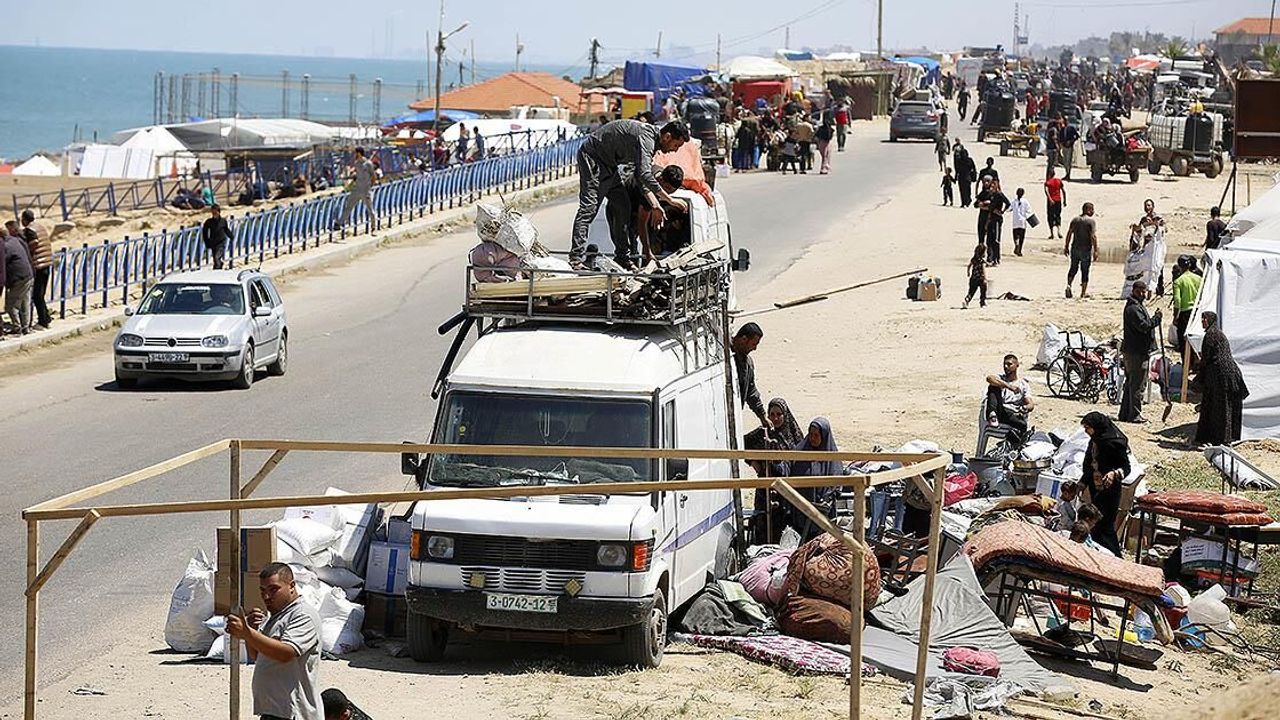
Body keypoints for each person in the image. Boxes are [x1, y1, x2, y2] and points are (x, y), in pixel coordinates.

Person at [571, 119, 688, 265]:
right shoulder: (647, 139)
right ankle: (576, 258)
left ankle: (622, 257)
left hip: (610, 166)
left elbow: (640, 177)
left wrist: (656, 205)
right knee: (589, 209)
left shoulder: (651, 143)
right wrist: (669, 200)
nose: (674, 150)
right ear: (667, 137)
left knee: (622, 205)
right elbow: (645, 175)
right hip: (593, 159)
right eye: (675, 145)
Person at [225, 563, 322, 720]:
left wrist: (247, 633)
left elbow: (286, 653)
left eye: (273, 589)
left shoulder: (303, 615)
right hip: (273, 711)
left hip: (293, 713)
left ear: (292, 586)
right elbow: (257, 655)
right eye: (263, 591)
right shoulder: (276, 617)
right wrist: (252, 630)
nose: (266, 596)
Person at [1194, 311, 1250, 447]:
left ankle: (1220, 438)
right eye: (1202, 319)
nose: (1203, 322)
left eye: (1205, 319)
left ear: (1210, 320)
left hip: (1220, 375)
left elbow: (1206, 359)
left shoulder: (1211, 335)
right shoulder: (1217, 333)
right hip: (1226, 373)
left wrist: (1198, 379)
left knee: (1219, 407)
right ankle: (1224, 437)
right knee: (1224, 406)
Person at [784, 418, 846, 535]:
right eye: (811, 434)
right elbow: (788, 471)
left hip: (822, 516)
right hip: (800, 513)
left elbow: (836, 484)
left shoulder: (832, 458)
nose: (812, 438)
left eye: (816, 435)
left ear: (824, 436)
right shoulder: (800, 452)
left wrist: (826, 498)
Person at [1079, 411, 1129, 556]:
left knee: (1105, 526)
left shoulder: (1115, 443)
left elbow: (1126, 467)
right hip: (1096, 489)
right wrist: (1083, 482)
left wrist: (1114, 473)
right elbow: (1089, 465)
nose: (1086, 431)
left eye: (1088, 427)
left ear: (1097, 427)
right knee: (1095, 525)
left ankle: (1115, 557)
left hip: (1110, 492)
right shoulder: (1094, 442)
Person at [1119, 281, 1161, 423]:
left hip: (1135, 351)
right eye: (1140, 291)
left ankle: (1125, 413)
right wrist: (1157, 319)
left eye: (1144, 291)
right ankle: (1134, 415)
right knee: (1137, 385)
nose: (1143, 294)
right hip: (1136, 352)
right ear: (1134, 290)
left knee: (1131, 384)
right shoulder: (1133, 309)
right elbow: (1144, 326)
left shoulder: (1136, 306)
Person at [985, 353, 1034, 444]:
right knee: (993, 386)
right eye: (1004, 364)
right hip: (1000, 410)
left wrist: (1025, 407)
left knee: (1023, 425)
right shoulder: (1001, 378)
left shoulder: (1023, 385)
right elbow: (989, 378)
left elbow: (1030, 404)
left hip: (1011, 414)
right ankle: (992, 414)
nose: (1006, 367)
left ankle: (1014, 446)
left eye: (1009, 364)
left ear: (1017, 365)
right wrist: (1009, 386)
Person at [20, 210, 52, 330]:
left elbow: (34, 242)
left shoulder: (30, 230)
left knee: (37, 295)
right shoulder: (40, 227)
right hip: (46, 263)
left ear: (24, 219)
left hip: (38, 265)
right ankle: (46, 317)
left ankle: (42, 321)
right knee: (40, 294)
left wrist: (27, 252)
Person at [732, 323, 768, 429]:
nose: (755, 348)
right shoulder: (724, 356)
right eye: (753, 344)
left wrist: (762, 416)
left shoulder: (748, 364)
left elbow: (751, 392)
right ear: (744, 339)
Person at [3, 222, 34, 335]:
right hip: (28, 274)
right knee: (25, 303)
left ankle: (17, 328)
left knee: (10, 306)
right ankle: (26, 327)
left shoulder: (6, 246)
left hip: (19, 278)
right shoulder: (15, 240)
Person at [1063, 202, 1097, 299]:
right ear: (1088, 210)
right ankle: (1083, 293)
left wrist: (1066, 246)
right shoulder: (1090, 221)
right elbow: (1093, 236)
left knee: (1073, 268)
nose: (1093, 212)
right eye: (1092, 209)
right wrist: (1095, 250)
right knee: (1085, 270)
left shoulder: (1075, 220)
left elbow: (1069, 233)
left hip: (1075, 248)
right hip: (1086, 249)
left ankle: (1069, 285)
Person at [337, 148, 377, 230]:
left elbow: (373, 176)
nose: (354, 154)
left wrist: (369, 187)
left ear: (359, 153)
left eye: (355, 153)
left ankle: (373, 225)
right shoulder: (357, 163)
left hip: (365, 190)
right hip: (357, 189)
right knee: (348, 206)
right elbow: (357, 175)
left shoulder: (368, 163)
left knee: (370, 208)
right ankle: (340, 223)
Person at [1171, 259, 1202, 353]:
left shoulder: (1178, 281)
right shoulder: (1198, 278)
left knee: (1183, 341)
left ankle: (1186, 360)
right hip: (1197, 312)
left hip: (1185, 313)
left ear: (1180, 267)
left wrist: (1175, 317)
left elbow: (1177, 301)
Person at [978, 179, 1009, 264]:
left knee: (996, 240)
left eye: (993, 185)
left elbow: (1008, 203)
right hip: (990, 218)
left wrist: (1002, 211)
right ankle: (990, 258)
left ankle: (996, 258)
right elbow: (990, 208)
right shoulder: (991, 195)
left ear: (997, 185)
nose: (991, 187)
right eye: (991, 185)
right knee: (989, 239)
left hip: (997, 220)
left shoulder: (999, 194)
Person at [201, 204, 235, 270]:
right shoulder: (209, 222)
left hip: (221, 242)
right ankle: (219, 266)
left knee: (217, 257)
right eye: (213, 212)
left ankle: (217, 268)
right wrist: (207, 242)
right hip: (213, 242)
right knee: (215, 258)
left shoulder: (223, 221)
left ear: (219, 212)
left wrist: (231, 236)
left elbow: (226, 229)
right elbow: (204, 232)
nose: (214, 214)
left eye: (215, 212)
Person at [1043, 167, 1066, 240]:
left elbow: (1046, 191)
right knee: (1058, 215)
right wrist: (1065, 200)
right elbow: (1063, 191)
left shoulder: (1048, 182)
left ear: (1049, 174)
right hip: (1058, 200)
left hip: (1051, 201)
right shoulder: (1059, 181)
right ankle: (1059, 231)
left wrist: (1050, 199)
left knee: (1050, 216)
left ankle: (1052, 234)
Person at [962, 243, 987, 309]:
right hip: (981, 279)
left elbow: (969, 266)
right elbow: (983, 269)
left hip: (973, 278)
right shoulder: (982, 261)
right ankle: (982, 302)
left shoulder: (973, 259)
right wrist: (985, 278)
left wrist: (968, 272)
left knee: (971, 292)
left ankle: (967, 300)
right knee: (983, 291)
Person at [1009, 187, 1032, 256]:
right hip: (1022, 222)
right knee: (1022, 237)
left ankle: (1016, 244)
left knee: (1015, 235)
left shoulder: (1013, 201)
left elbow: (1009, 209)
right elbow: (1029, 210)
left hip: (1015, 222)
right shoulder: (1025, 201)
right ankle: (1019, 250)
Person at [954, 142, 975, 208]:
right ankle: (967, 201)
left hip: (962, 177)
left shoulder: (959, 160)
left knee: (962, 190)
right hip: (967, 177)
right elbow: (973, 168)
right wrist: (973, 176)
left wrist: (955, 177)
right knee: (967, 190)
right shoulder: (969, 160)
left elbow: (957, 170)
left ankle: (964, 202)